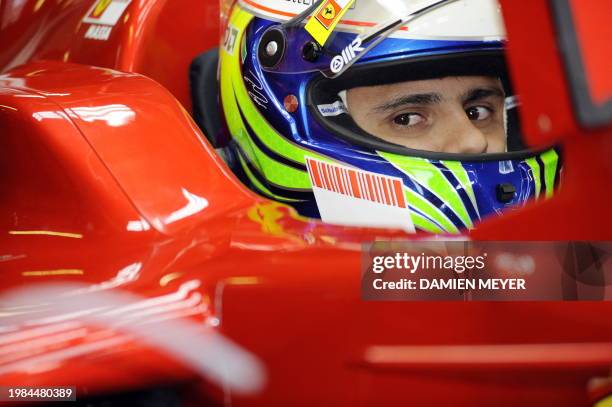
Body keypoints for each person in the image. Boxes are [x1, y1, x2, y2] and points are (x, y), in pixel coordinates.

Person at [215, 0, 561, 234]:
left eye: (478, 111)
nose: (473, 139)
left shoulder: (572, 272)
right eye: (408, 118)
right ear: (283, 113)